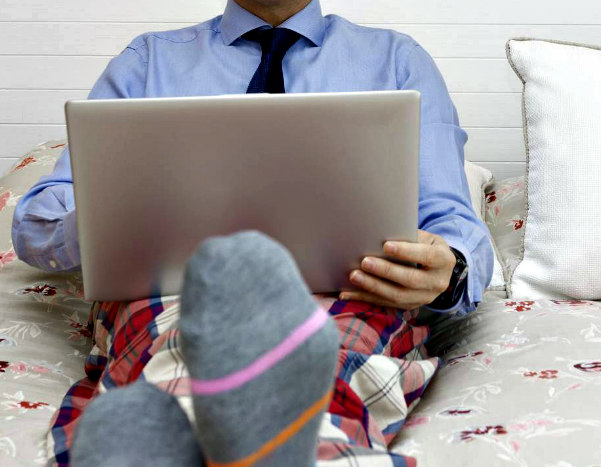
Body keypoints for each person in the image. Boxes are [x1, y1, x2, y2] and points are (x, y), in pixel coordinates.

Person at [12, 0, 493, 466]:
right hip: (169, 294)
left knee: (320, 358)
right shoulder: (146, 62)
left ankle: (166, 437)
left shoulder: (396, 60)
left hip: (348, 292)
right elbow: (38, 225)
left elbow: (450, 219)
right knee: (187, 347)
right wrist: (124, 207)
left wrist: (448, 270)